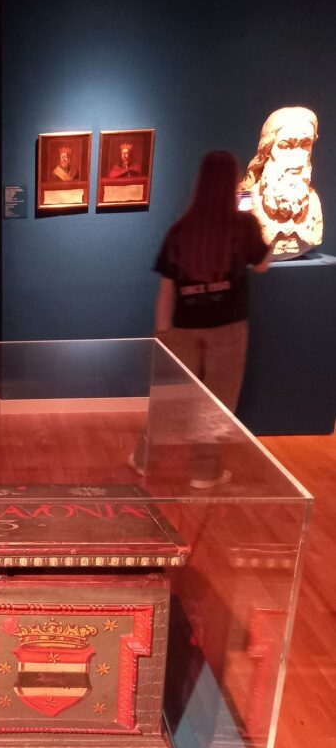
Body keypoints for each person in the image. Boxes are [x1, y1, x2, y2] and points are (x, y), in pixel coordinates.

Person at [131, 150, 271, 489]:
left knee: (170, 399)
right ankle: (204, 473)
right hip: (228, 327)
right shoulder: (243, 225)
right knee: (217, 402)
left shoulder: (181, 229)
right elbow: (262, 264)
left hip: (183, 328)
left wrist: (162, 330)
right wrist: (269, 232)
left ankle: (144, 460)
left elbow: (167, 285)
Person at [240, 106, 322, 260]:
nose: (298, 157)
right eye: (286, 145)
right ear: (267, 150)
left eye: (305, 144)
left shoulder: (313, 202)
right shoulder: (247, 200)